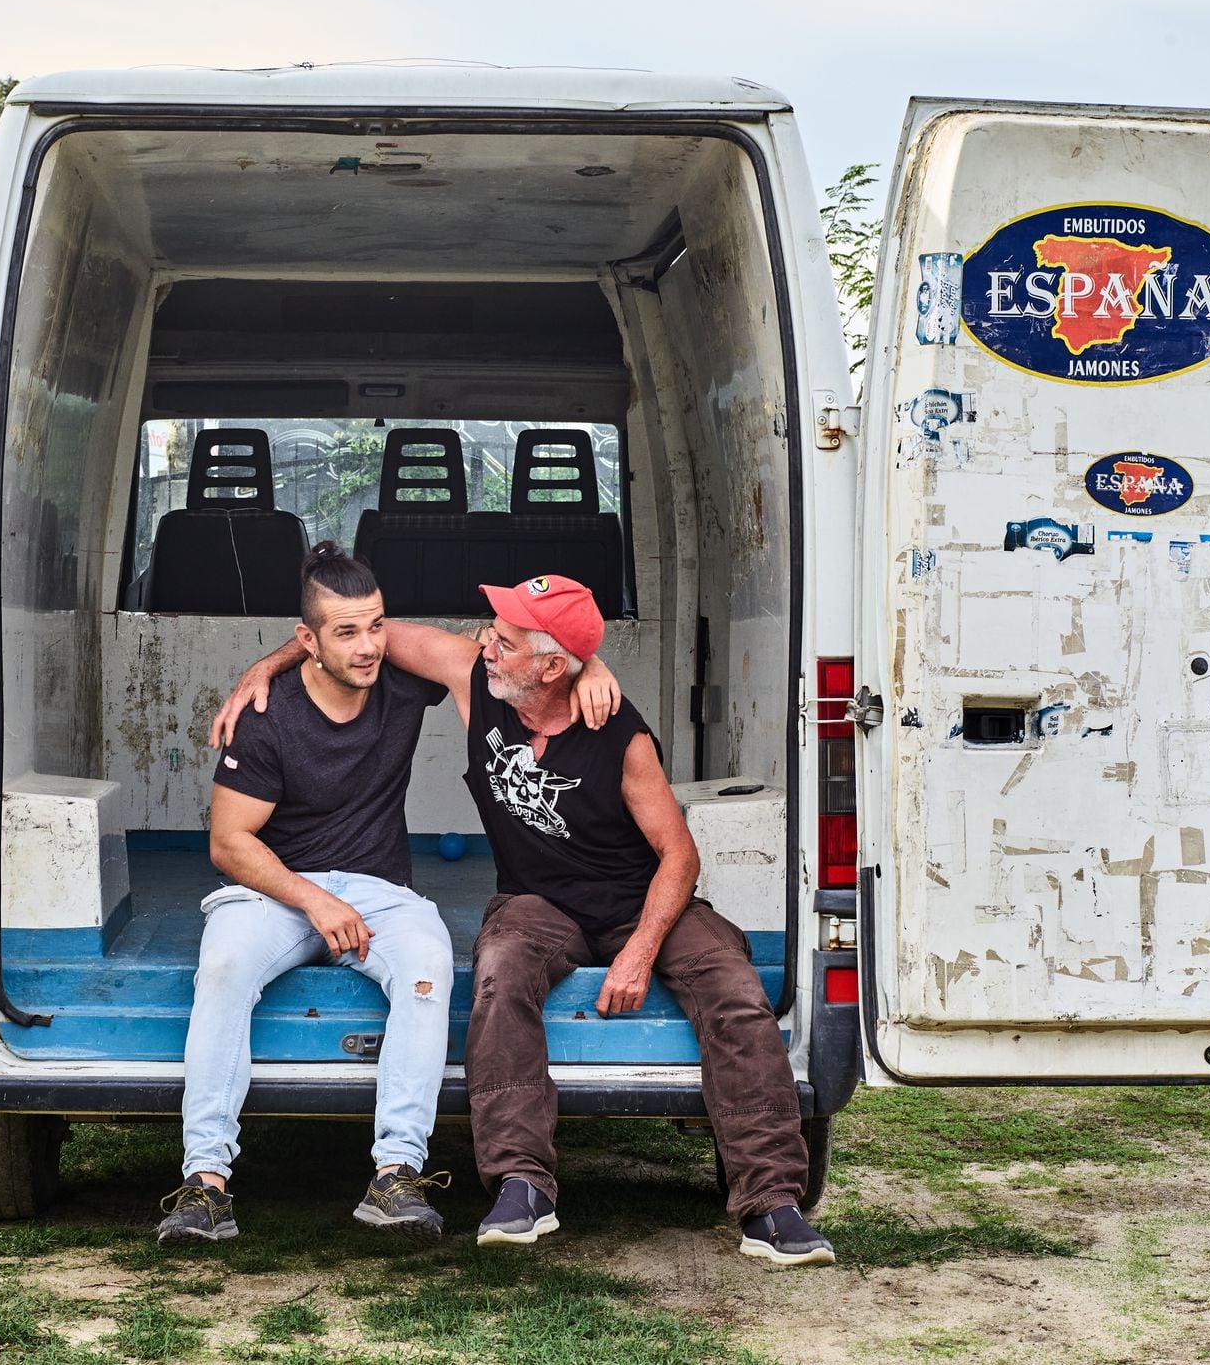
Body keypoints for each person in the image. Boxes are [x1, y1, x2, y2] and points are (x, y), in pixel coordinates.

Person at [212, 574, 835, 1265]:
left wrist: (638, 953)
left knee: (735, 992)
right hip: (538, 901)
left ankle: (772, 1204)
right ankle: (520, 1185)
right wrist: (266, 666)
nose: (485, 645)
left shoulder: (619, 733)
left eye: (504, 640)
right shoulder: (475, 680)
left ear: (550, 665)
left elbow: (679, 857)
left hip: (638, 899)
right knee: (500, 977)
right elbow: (363, 637)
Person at [158, 542, 460, 1247]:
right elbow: (229, 843)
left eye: (377, 626)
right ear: (308, 640)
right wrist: (313, 901)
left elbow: (492, 655)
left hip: (380, 890)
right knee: (224, 968)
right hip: (276, 890)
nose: (367, 647)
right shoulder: (269, 715)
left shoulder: (401, 679)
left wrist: (589, 660)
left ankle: (396, 1174)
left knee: (427, 965)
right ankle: (205, 1186)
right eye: (346, 632)